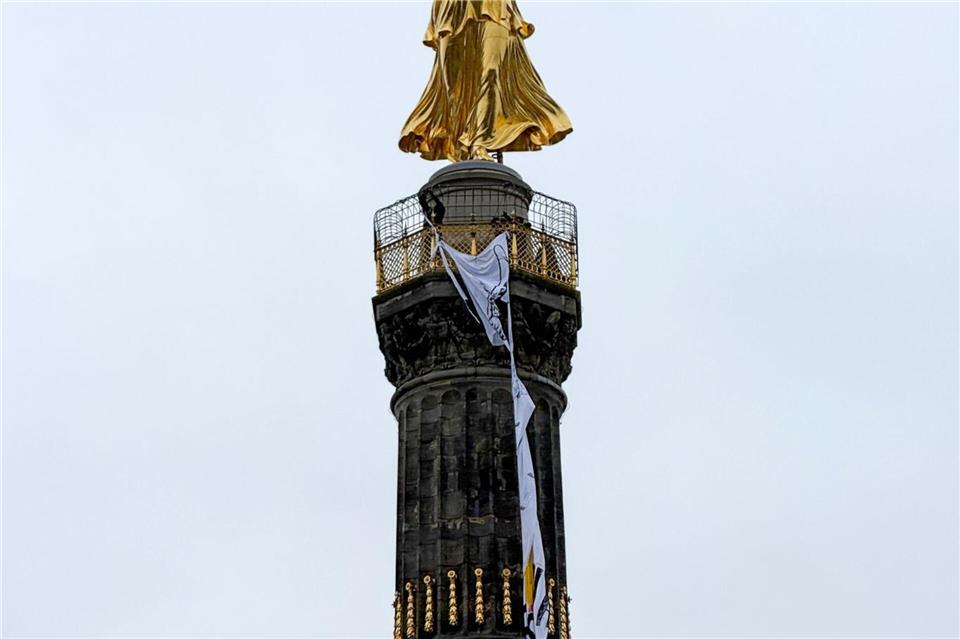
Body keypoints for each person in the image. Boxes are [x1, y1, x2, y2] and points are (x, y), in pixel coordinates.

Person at [399, 0, 573, 162]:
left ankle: (479, 143)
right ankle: (460, 147)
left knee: (492, 73)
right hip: (453, 9)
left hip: (494, 7)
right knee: (454, 88)